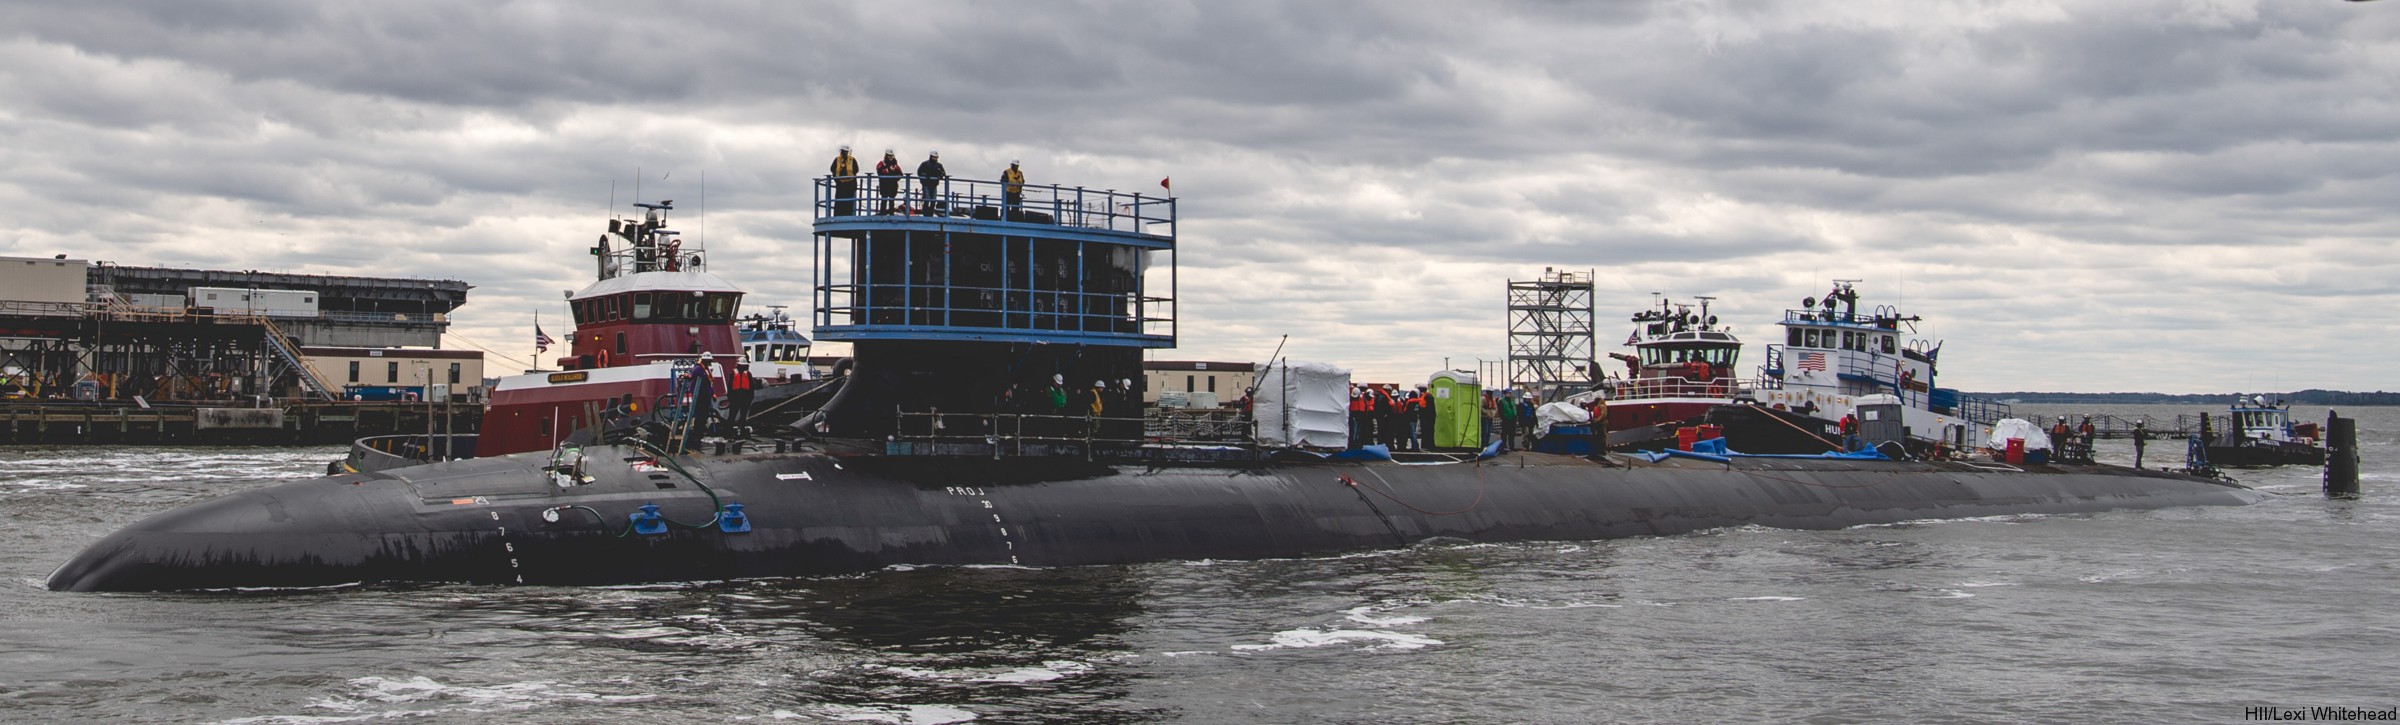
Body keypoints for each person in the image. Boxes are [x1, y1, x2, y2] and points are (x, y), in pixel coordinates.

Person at [829, 145, 861, 215]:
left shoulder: (852, 159)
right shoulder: (837, 159)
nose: (845, 153)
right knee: (839, 201)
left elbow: (856, 170)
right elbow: (832, 169)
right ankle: (838, 214)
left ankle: (848, 214)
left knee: (849, 201)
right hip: (840, 184)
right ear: (841, 151)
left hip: (850, 184)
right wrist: (837, 179)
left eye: (846, 151)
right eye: (844, 151)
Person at [916, 150, 947, 214]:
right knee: (927, 198)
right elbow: (919, 172)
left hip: (934, 184)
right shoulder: (925, 164)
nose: (935, 158)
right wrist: (925, 175)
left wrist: (940, 174)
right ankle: (925, 212)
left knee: (933, 199)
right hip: (926, 184)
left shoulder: (939, 165)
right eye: (934, 157)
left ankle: (930, 213)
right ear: (931, 157)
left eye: (936, 157)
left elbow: (943, 173)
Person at [727, 360, 755, 430]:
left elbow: (751, 387)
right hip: (735, 398)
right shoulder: (733, 374)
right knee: (732, 416)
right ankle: (729, 431)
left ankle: (741, 430)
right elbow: (729, 387)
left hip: (745, 399)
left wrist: (750, 398)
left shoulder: (748, 374)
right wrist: (730, 398)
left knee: (743, 416)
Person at [875, 149, 903, 214]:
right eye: (889, 155)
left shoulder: (895, 165)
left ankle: (891, 213)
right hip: (884, 185)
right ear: (886, 156)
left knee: (891, 200)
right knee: (884, 199)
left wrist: (895, 179)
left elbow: (901, 174)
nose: (891, 157)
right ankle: (882, 213)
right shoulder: (882, 164)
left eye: (892, 156)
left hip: (893, 185)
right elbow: (879, 171)